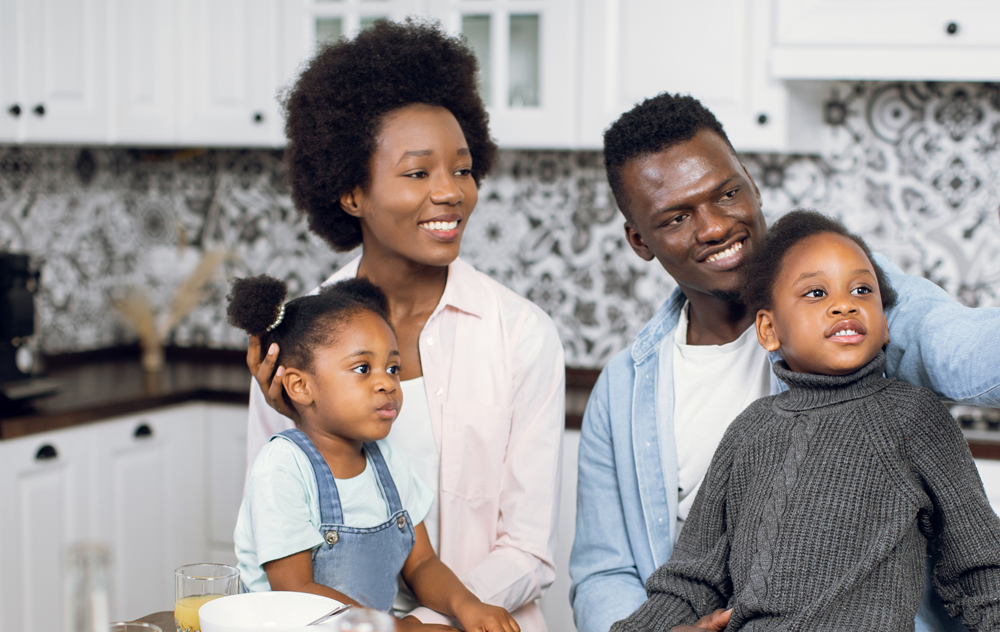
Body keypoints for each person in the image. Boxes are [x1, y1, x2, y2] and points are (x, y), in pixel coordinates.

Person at [569, 92, 1000, 632]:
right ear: (640, 240)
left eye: (726, 193)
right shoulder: (628, 389)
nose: (714, 227)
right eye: (677, 217)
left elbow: (956, 347)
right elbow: (608, 571)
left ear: (751, 181)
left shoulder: (857, 302)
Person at [244, 20, 564, 631]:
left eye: (463, 170)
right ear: (351, 193)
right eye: (418, 173)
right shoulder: (294, 344)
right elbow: (276, 539)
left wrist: (420, 623)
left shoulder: (520, 334)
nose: (450, 193)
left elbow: (527, 548)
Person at [229, 275, 520, 632]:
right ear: (300, 386)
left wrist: (467, 606)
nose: (387, 383)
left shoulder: (389, 462)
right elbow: (297, 592)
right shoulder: (282, 469)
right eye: (363, 368)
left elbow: (422, 563)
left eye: (393, 368)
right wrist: (399, 629)